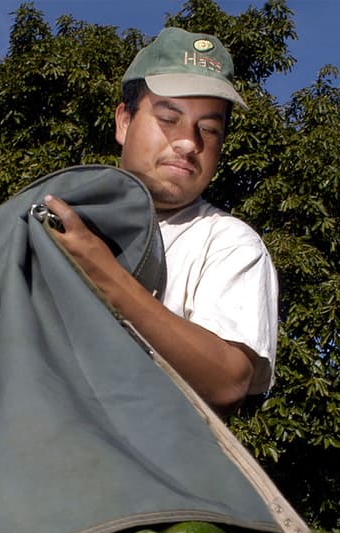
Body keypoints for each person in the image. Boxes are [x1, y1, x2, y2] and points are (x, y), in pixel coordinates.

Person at [41, 27, 278, 414]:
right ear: (124, 122)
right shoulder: (58, 216)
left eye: (209, 129)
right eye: (169, 118)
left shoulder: (227, 242)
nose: (189, 143)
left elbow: (228, 381)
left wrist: (108, 278)